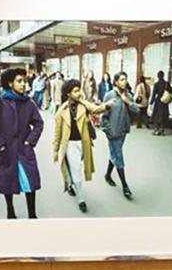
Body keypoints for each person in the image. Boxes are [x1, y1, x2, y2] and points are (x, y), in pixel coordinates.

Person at [0, 67, 43, 219]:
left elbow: (39, 123)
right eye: (19, 81)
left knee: (30, 182)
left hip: (24, 150)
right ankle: (10, 210)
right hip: (6, 151)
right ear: (10, 83)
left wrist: (30, 141)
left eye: (25, 81)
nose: (23, 84)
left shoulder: (28, 103)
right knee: (7, 182)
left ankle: (32, 214)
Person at [51, 79, 111, 213]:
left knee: (78, 167)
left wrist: (107, 105)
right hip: (70, 145)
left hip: (84, 143)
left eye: (79, 90)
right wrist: (55, 150)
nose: (79, 93)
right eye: (76, 91)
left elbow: (96, 108)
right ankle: (81, 199)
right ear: (68, 93)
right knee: (76, 169)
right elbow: (57, 133)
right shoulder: (61, 111)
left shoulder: (83, 105)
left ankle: (72, 185)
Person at [101, 71, 137, 199]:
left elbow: (136, 110)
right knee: (119, 157)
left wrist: (127, 102)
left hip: (123, 131)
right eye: (121, 79)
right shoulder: (109, 95)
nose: (124, 82)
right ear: (116, 82)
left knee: (115, 154)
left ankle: (107, 175)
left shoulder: (128, 95)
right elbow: (103, 116)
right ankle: (125, 186)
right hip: (113, 133)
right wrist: (108, 130)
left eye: (125, 79)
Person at [150, 71, 172, 135]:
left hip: (158, 101)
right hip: (164, 101)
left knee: (156, 115)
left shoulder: (156, 84)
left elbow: (154, 94)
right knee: (163, 115)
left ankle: (156, 129)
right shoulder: (167, 83)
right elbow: (171, 91)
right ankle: (162, 130)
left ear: (158, 76)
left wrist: (151, 102)